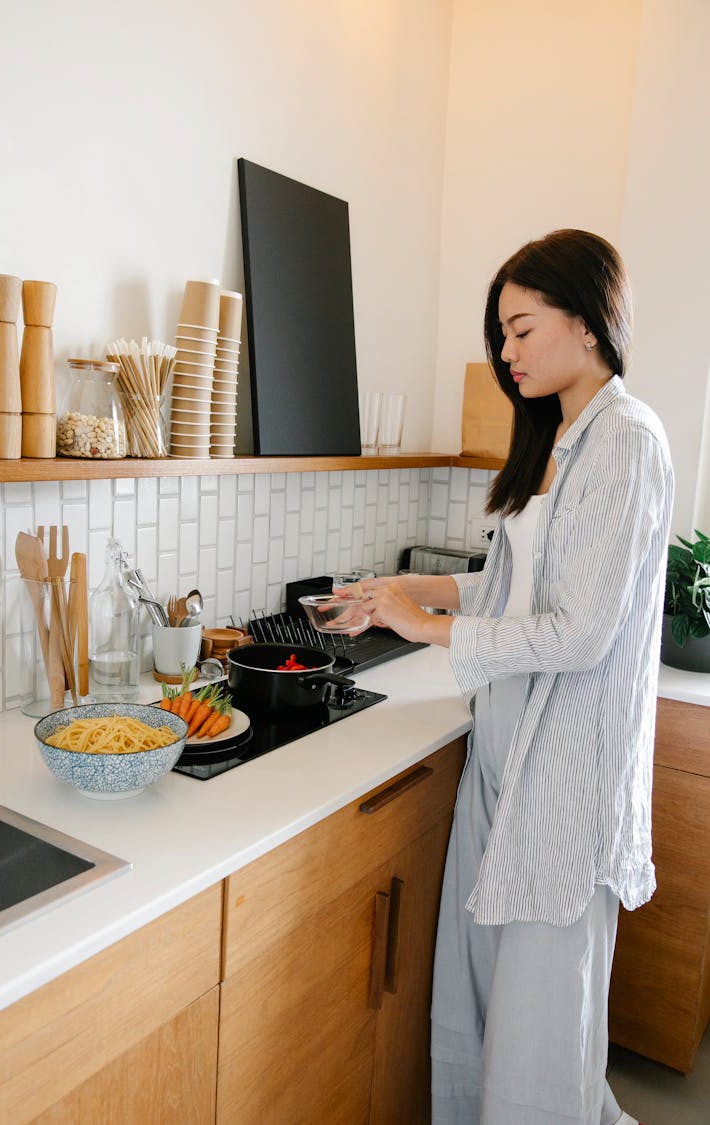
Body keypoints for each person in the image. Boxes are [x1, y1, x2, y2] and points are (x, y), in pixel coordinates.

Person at [344, 230, 673, 1125]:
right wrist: (415, 588)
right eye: (501, 333)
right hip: (507, 756)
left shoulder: (627, 441)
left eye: (522, 329)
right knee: (484, 997)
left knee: (540, 1029)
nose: (506, 352)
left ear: (590, 322)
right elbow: (521, 585)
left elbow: (582, 629)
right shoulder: (564, 437)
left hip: (561, 780)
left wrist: (431, 627)